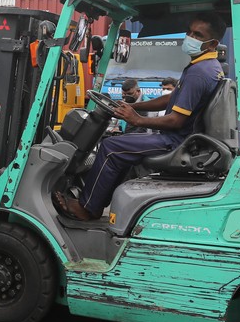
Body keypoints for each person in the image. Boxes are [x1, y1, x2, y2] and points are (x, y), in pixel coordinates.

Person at [52, 12, 226, 221]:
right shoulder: (207, 67)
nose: (189, 37)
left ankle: (89, 208)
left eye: (197, 35)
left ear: (212, 43)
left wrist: (136, 119)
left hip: (177, 140)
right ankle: (97, 201)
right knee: (120, 146)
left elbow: (176, 120)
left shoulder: (199, 72)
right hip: (183, 138)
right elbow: (171, 99)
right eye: (189, 31)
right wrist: (134, 106)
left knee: (110, 148)